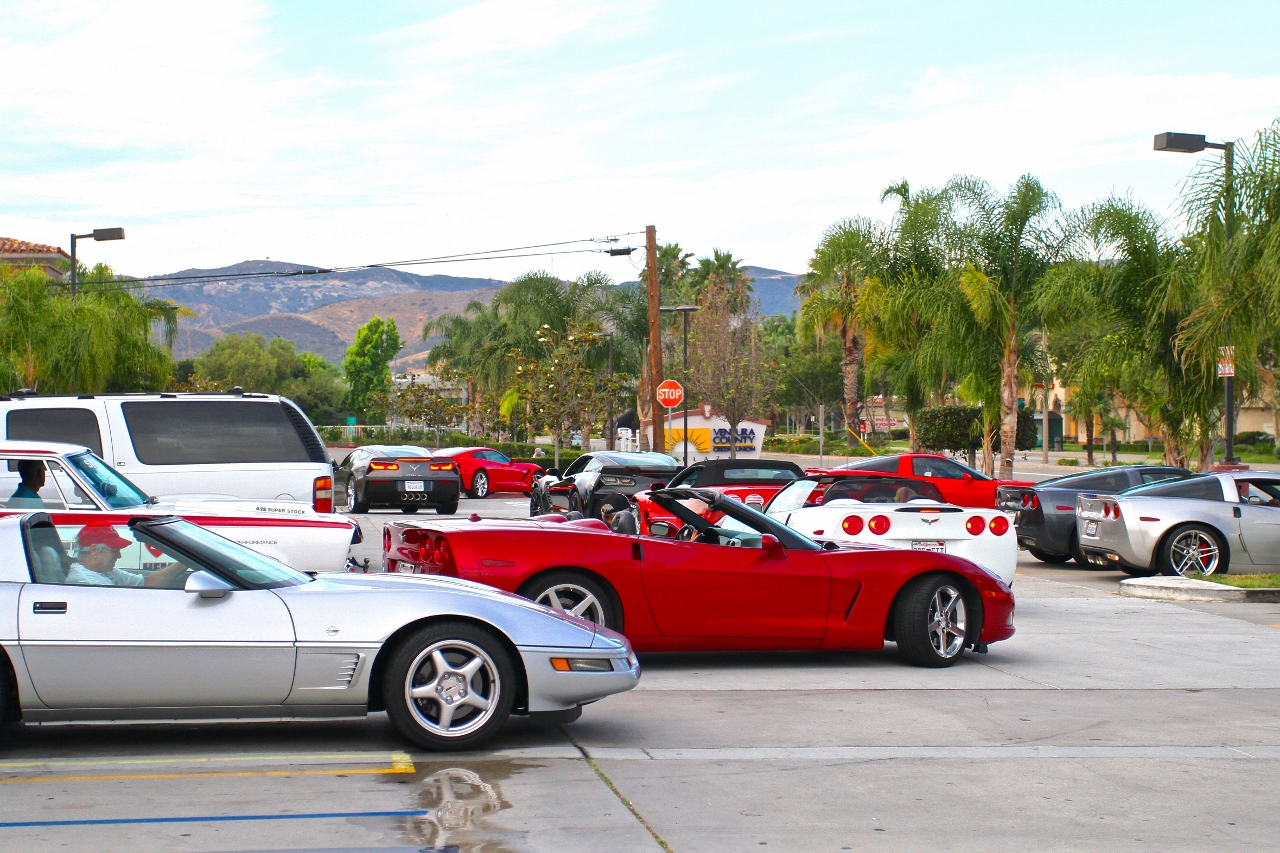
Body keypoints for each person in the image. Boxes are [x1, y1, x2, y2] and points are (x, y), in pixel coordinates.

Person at [64, 525, 189, 588]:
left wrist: (186, 560)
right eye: (114, 550)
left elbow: (146, 583)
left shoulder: (105, 572)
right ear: (94, 550)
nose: (119, 555)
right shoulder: (87, 582)